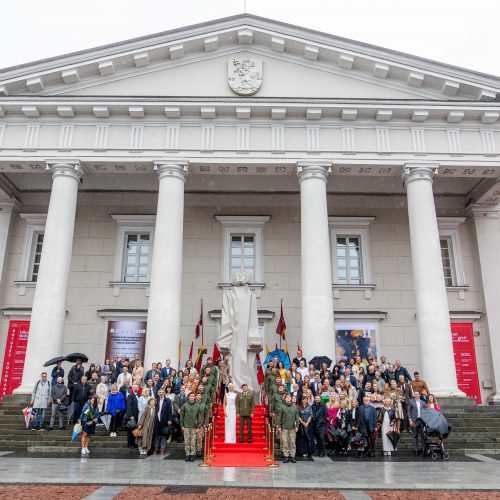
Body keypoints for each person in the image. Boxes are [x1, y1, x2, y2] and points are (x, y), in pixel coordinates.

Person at [276, 393, 299, 463]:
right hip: (284, 427)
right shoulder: (282, 406)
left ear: (291, 399)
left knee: (292, 442)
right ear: (285, 399)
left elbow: (297, 418)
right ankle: (286, 456)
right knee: (285, 442)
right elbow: (279, 417)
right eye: (287, 397)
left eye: (289, 397)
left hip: (292, 427)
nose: (288, 398)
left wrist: (297, 426)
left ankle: (292, 456)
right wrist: (279, 426)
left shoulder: (295, 407)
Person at [180, 392, 201, 462]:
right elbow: (182, 416)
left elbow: (199, 417)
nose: (192, 397)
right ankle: (187, 454)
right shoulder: (184, 405)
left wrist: (198, 426)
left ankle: (192, 455)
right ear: (188, 397)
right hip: (186, 426)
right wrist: (182, 425)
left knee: (193, 441)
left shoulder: (197, 406)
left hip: (194, 426)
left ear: (195, 397)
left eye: (193, 396)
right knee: (187, 441)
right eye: (190, 396)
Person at [153, 389, 172, 455]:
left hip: (164, 420)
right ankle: (155, 449)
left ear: (164, 393)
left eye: (162, 392)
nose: (161, 393)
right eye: (160, 392)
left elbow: (170, 411)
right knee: (156, 435)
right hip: (157, 420)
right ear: (158, 393)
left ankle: (162, 449)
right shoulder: (156, 400)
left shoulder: (168, 400)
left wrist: (169, 419)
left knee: (163, 435)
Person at [408, 390, 425, 455]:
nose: (416, 395)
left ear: (419, 395)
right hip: (414, 420)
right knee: (415, 436)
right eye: (415, 394)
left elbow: (425, 411)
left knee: (423, 436)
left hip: (421, 420)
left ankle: (423, 449)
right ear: (414, 395)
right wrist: (410, 419)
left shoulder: (423, 402)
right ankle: (416, 449)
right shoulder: (411, 401)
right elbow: (409, 411)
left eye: (417, 394)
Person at [125, 384, 139, 449]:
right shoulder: (130, 396)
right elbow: (128, 406)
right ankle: (129, 444)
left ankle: (133, 443)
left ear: (138, 388)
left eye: (137, 387)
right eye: (134, 387)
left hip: (136, 416)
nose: (136, 388)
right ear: (132, 388)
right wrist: (131, 415)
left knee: (134, 430)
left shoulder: (139, 395)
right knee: (130, 431)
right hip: (131, 416)